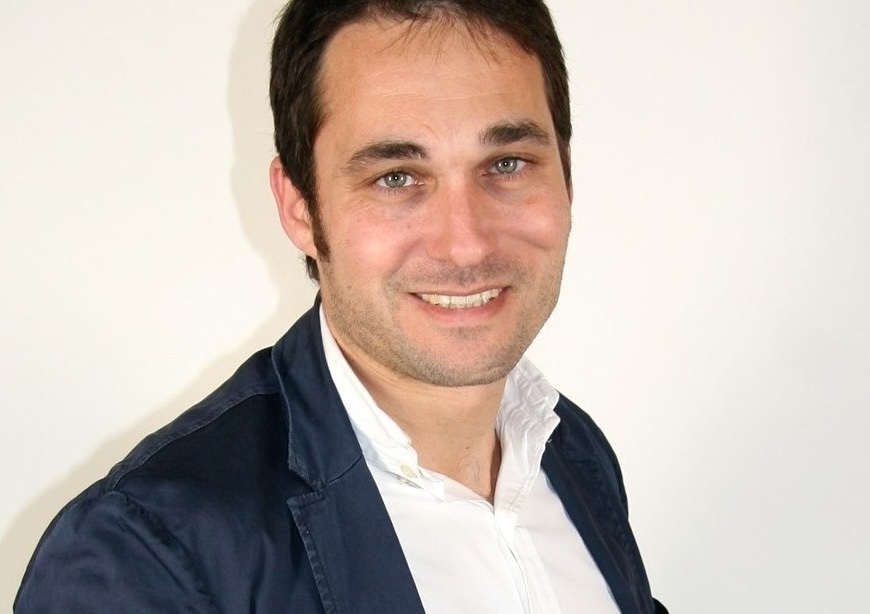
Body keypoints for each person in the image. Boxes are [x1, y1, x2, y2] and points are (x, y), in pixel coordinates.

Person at [16, 0, 667, 612]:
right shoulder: (145, 553)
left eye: (507, 164)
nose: (466, 242)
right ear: (299, 206)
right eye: (396, 178)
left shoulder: (572, 452)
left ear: (566, 175)